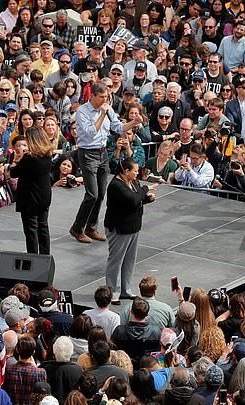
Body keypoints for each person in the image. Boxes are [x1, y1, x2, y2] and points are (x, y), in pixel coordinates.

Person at [70, 82, 142, 244]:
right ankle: (77, 228)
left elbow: (118, 127)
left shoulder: (108, 109)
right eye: (101, 97)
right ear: (93, 96)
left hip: (102, 153)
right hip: (88, 153)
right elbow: (89, 132)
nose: (105, 100)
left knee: (101, 193)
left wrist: (134, 122)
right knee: (92, 194)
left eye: (106, 97)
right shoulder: (83, 111)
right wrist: (102, 115)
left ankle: (91, 227)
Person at [104, 157, 156, 302]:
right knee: (116, 261)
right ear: (126, 171)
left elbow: (136, 199)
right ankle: (112, 292)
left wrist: (147, 199)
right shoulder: (116, 185)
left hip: (133, 227)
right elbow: (132, 199)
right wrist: (146, 189)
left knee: (129, 260)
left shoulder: (133, 182)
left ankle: (125, 290)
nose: (137, 173)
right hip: (120, 229)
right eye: (135, 171)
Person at [9, 127, 53, 254]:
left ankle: (33, 258)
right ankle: (45, 256)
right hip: (44, 196)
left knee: (31, 230)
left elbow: (13, 172)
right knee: (43, 226)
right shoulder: (48, 155)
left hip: (30, 198)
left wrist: (16, 160)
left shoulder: (29, 158)